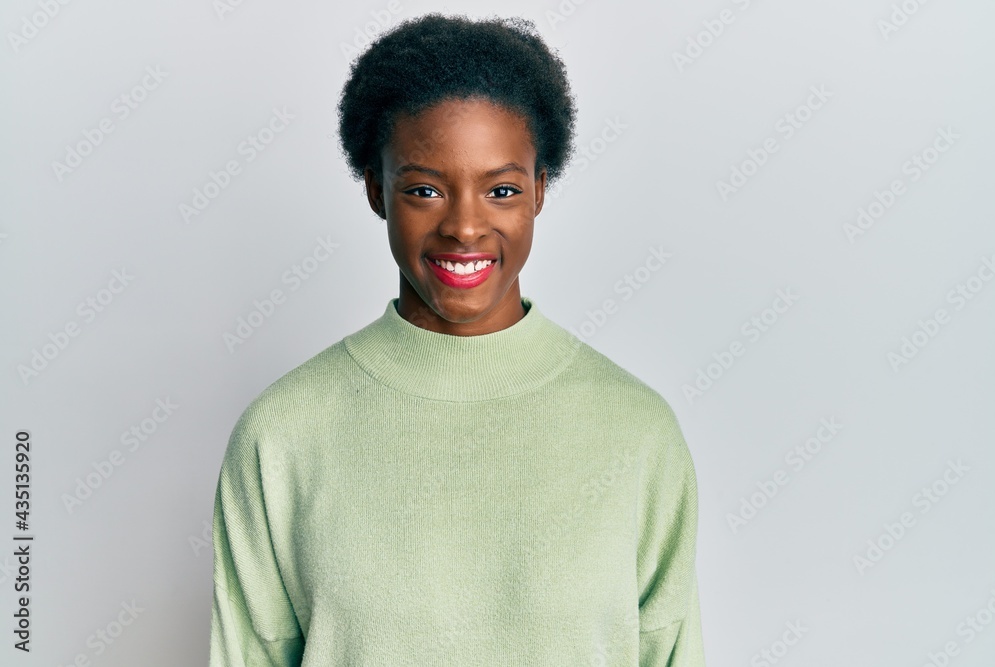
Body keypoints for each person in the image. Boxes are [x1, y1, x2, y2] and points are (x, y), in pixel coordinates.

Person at [209, 12, 705, 666]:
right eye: (424, 189)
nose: (465, 226)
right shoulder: (281, 436)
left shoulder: (638, 431)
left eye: (500, 189)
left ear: (538, 191)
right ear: (376, 190)